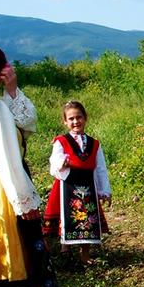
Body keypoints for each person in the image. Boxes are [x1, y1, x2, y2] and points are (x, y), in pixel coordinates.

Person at [0, 45, 49, 287]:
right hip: (2, 188)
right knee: (16, 255)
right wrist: (24, 201)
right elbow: (9, 160)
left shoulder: (0, 105)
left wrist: (11, 90)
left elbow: (25, 122)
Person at [42, 100, 112, 265]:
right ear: (65, 121)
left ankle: (84, 254)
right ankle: (65, 248)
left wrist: (104, 190)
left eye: (78, 117)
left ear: (85, 118)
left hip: (87, 187)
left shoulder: (94, 144)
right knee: (67, 218)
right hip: (67, 186)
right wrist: (62, 163)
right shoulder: (61, 141)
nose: (75, 122)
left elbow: (100, 168)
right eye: (71, 119)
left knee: (87, 219)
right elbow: (55, 159)